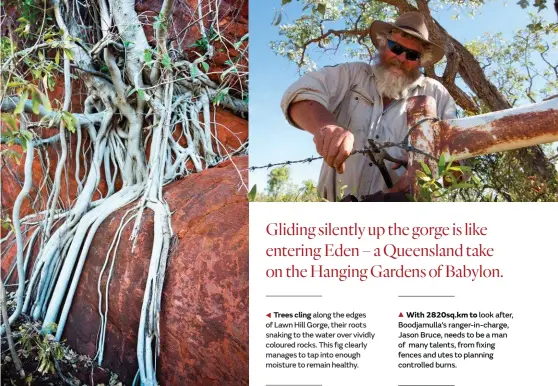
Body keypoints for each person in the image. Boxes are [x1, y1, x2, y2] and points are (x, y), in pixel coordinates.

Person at [280, 11, 457, 201]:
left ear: (420, 61)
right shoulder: (353, 74)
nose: (402, 58)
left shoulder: (437, 95)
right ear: (382, 44)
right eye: (395, 47)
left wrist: (426, 168)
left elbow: (459, 166)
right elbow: (299, 92)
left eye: (412, 54)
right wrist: (327, 127)